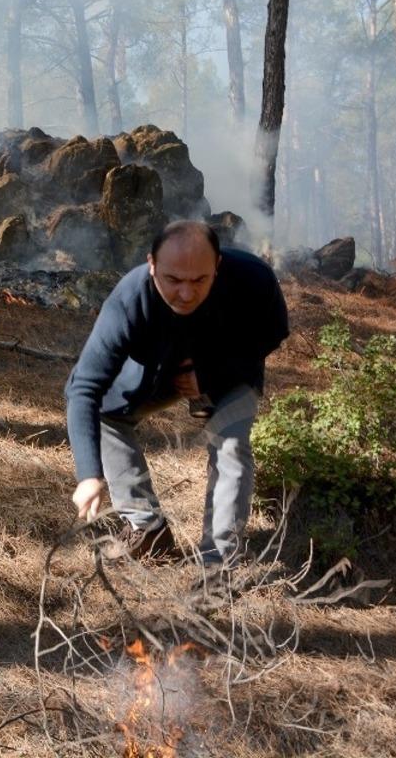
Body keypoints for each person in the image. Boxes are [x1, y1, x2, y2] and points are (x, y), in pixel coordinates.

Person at [65, 220, 289, 570]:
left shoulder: (253, 279)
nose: (186, 293)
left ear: (217, 266)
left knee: (231, 446)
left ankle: (218, 563)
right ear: (152, 264)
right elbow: (84, 388)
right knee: (105, 415)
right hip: (160, 369)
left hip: (230, 366)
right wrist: (89, 475)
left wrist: (212, 375)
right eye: (173, 280)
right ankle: (147, 528)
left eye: (199, 280)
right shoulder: (129, 299)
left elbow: (271, 334)